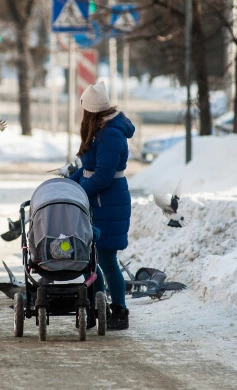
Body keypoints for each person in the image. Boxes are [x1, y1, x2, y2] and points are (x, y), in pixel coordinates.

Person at [68, 81, 135, 331]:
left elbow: (103, 177)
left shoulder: (110, 134)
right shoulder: (101, 129)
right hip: (98, 201)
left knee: (105, 258)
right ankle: (96, 307)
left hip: (108, 203)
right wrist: (65, 186)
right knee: (89, 257)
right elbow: (88, 170)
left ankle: (119, 311)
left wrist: (78, 192)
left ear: (89, 109)